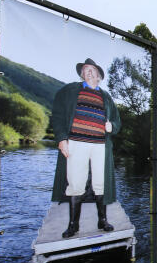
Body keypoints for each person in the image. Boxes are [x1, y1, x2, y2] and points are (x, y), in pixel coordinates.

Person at [50, 58, 121, 239]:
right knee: (76, 182)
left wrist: (111, 126)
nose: (88, 72)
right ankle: (73, 225)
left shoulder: (106, 97)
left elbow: (117, 122)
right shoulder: (70, 91)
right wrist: (61, 138)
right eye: (85, 70)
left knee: (100, 182)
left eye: (92, 70)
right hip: (76, 142)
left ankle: (102, 220)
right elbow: (57, 115)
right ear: (82, 74)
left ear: (99, 76)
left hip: (100, 145)